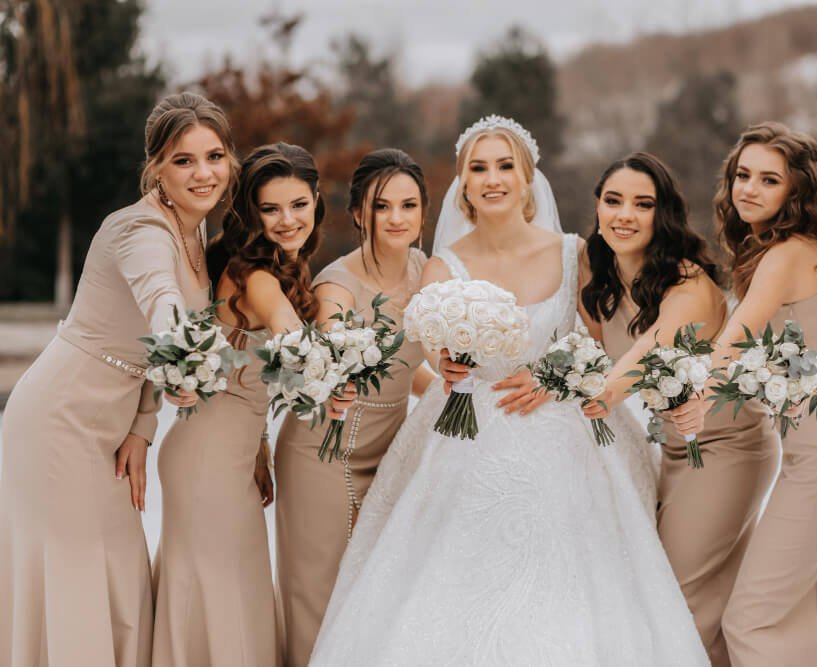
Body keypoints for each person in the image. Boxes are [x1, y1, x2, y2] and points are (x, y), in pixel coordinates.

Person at [308, 116, 709, 666]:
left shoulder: (576, 253)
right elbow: (432, 348)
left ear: (527, 180)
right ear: (463, 184)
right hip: (467, 429)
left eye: (505, 167)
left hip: (564, 424)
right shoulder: (443, 266)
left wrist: (557, 377)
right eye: (478, 168)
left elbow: (601, 345)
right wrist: (447, 363)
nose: (492, 178)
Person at [0, 91, 236, 666]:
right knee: (74, 576)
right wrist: (185, 354)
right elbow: (160, 301)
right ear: (155, 167)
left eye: (214, 156)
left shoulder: (195, 229)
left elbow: (147, 349)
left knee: (120, 573)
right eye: (184, 160)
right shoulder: (140, 231)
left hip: (110, 425)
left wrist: (142, 422)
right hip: (59, 420)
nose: (203, 173)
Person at [578, 152, 780, 665]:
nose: (624, 214)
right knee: (706, 603)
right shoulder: (600, 280)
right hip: (674, 450)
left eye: (642, 204)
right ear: (597, 208)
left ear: (662, 214)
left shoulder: (688, 284)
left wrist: (572, 393)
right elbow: (590, 353)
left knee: (674, 594)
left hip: (729, 447)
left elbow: (637, 365)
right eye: (613, 200)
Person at [152, 142, 350, 665]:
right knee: (223, 602)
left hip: (227, 452)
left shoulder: (277, 268)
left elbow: (244, 370)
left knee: (225, 597)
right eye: (271, 208)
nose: (288, 220)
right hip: (208, 460)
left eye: (299, 205)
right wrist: (337, 378)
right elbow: (299, 353)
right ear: (251, 213)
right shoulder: (256, 276)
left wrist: (260, 442)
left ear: (316, 204)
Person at [708, 122, 817, 666]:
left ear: (795, 191)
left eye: (769, 180)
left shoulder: (785, 254)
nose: (749, 189)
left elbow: (730, 344)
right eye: (743, 175)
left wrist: (676, 389)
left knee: (750, 619)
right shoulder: (798, 248)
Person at [274, 148, 435, 665]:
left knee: (374, 595)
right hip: (324, 450)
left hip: (389, 453)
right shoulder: (336, 286)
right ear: (359, 214)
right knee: (318, 595)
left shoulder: (428, 272)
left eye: (408, 206)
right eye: (381, 206)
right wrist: (333, 371)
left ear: (423, 213)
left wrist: (462, 390)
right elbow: (330, 358)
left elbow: (409, 371)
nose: (396, 218)